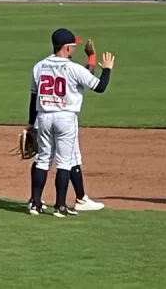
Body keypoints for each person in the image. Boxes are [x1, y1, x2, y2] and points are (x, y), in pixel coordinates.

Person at [27, 29, 114, 217]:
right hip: (65, 118)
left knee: (42, 159)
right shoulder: (73, 68)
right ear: (67, 47)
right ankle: (60, 206)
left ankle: (35, 203)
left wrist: (30, 124)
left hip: (43, 116)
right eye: (73, 46)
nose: (74, 48)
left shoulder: (39, 66)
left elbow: (33, 97)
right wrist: (107, 68)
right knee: (65, 162)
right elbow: (100, 87)